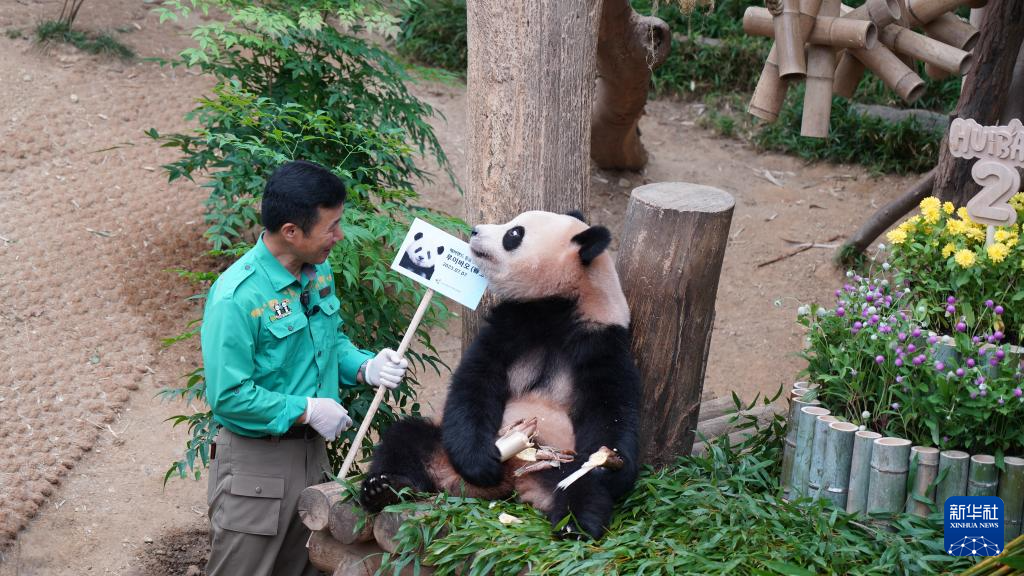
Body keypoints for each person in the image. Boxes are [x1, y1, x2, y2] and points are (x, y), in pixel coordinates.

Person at [200, 159, 409, 576]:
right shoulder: (236, 298)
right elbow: (229, 396)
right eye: (331, 227)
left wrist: (365, 366)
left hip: (314, 460)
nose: (339, 236)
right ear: (291, 232)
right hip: (258, 470)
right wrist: (307, 409)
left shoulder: (317, 272)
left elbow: (330, 342)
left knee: (310, 567)